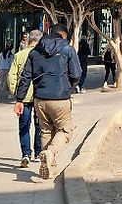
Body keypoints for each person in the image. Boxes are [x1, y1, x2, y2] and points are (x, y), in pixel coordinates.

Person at [14, 25, 81, 180]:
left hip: (40, 99)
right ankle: (50, 152)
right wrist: (68, 86)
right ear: (64, 36)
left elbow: (25, 77)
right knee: (65, 130)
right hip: (60, 98)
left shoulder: (35, 51)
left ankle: (51, 168)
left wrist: (19, 100)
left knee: (45, 131)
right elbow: (76, 74)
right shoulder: (67, 49)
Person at [7, 30, 43, 169]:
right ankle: (38, 152)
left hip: (24, 96)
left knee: (24, 125)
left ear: (28, 40)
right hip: (40, 95)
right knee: (40, 125)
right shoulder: (42, 55)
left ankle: (26, 153)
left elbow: (12, 76)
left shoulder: (19, 55)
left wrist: (15, 92)